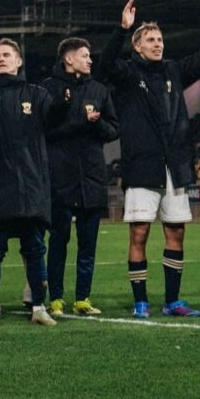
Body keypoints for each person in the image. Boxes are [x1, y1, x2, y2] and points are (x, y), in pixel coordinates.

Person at [99, 0, 200, 318]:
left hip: (175, 165)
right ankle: (141, 300)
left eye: (160, 39)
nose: (158, 44)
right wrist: (121, 29)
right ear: (138, 46)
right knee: (139, 232)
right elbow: (105, 65)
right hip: (142, 166)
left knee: (176, 231)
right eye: (151, 39)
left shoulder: (173, 70)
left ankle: (172, 300)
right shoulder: (127, 74)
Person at [0, 38, 69, 328]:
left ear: (19, 61)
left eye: (6, 55)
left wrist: (64, 102)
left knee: (34, 248)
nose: (0, 59)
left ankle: (38, 307)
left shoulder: (36, 93)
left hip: (30, 186)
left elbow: (54, 118)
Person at [40, 38, 120, 317]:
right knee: (58, 242)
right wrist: (80, 123)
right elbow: (45, 131)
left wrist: (97, 125)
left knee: (88, 244)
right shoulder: (49, 88)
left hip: (92, 177)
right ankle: (57, 299)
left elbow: (114, 129)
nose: (90, 60)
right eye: (85, 56)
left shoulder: (98, 90)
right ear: (68, 59)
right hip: (60, 177)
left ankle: (83, 298)